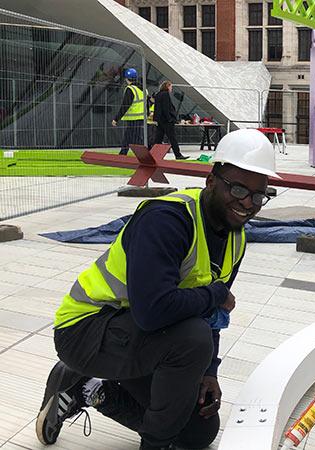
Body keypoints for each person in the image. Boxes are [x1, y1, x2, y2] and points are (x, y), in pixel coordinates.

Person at [36, 129, 280, 450]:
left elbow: (212, 316)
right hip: (85, 331)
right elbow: (153, 312)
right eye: (238, 188)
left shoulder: (235, 236)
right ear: (211, 181)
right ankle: (155, 444)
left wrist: (209, 372)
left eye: (258, 194)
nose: (248, 203)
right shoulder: (167, 219)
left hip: (139, 338)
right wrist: (216, 295)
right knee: (192, 339)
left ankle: (89, 389)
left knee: (198, 431)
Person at [112, 68, 149, 156]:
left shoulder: (130, 89)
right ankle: (123, 153)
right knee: (129, 136)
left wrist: (116, 119)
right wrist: (147, 114)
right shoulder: (144, 89)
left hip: (133, 118)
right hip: (141, 117)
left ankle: (144, 156)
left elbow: (125, 106)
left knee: (135, 138)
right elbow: (147, 104)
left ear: (126, 79)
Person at [150, 80, 188, 160]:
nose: (171, 88)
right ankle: (178, 155)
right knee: (172, 138)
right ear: (167, 86)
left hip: (160, 120)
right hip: (166, 121)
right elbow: (166, 108)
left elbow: (158, 108)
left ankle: (152, 155)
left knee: (158, 139)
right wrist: (170, 119)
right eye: (171, 86)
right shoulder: (165, 94)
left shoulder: (159, 94)